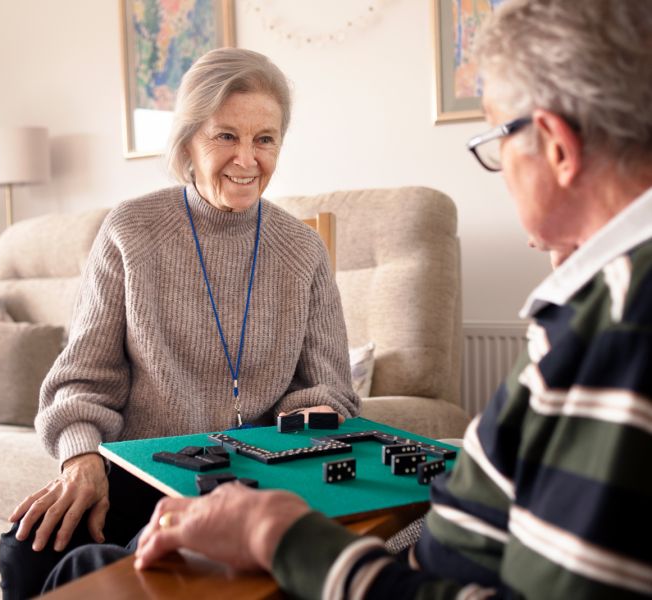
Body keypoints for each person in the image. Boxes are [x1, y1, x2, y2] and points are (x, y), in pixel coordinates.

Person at [130, 1, 652, 598]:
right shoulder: (601, 302)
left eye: (494, 139)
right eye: (226, 135)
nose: (247, 158)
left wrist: (285, 535)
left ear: (557, 149)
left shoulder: (618, 327)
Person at [0, 47, 360, 599]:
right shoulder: (131, 229)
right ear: (188, 141)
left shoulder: (302, 250)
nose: (247, 159)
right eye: (226, 136)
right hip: (141, 472)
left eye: (265, 138)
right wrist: (81, 457)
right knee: (26, 550)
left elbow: (330, 387)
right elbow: (80, 380)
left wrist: (312, 413)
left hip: (244, 482)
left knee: (123, 564)